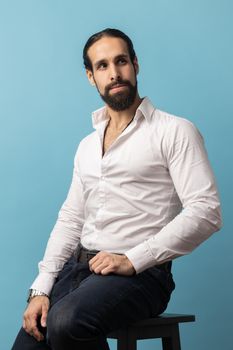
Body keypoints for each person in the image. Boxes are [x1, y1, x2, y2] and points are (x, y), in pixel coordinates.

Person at [12, 28, 222, 350]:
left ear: (136, 65)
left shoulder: (175, 131)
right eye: (102, 66)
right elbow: (71, 219)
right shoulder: (87, 146)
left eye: (121, 61)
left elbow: (206, 212)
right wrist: (41, 288)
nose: (114, 73)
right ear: (90, 76)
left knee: (66, 321)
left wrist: (132, 259)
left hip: (142, 276)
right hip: (78, 271)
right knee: (31, 338)